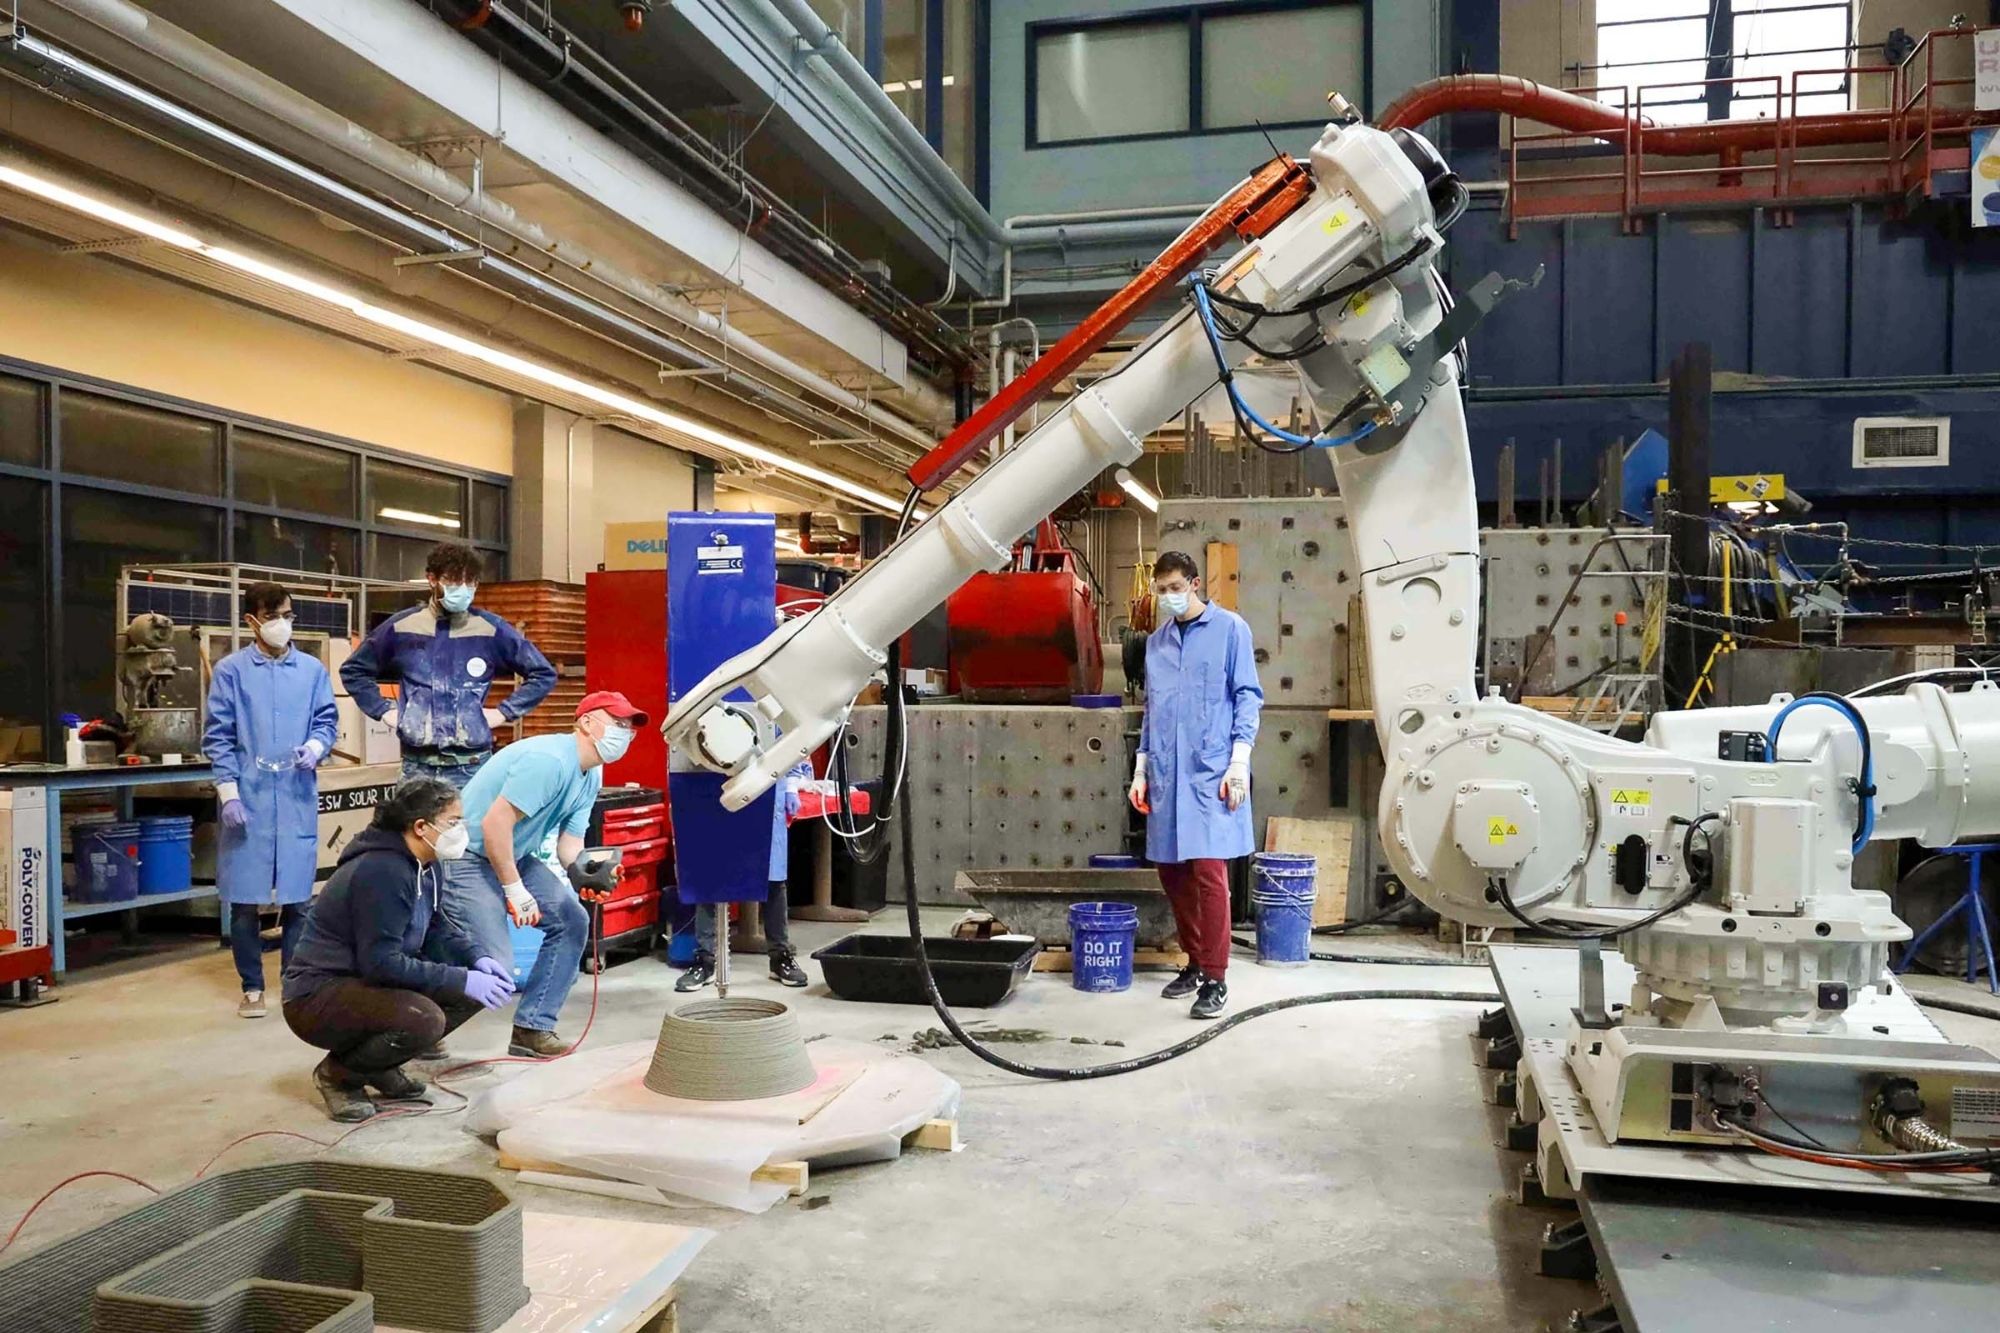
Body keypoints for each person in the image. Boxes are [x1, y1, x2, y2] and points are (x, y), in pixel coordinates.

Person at [282, 779, 515, 1122]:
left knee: (469, 992)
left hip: (363, 982)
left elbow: (439, 925)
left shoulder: (426, 863)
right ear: (421, 827)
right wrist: (460, 977)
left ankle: (378, 1066)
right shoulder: (382, 871)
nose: (460, 831)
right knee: (423, 1018)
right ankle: (339, 1076)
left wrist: (477, 958)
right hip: (317, 995)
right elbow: (380, 963)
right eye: (453, 822)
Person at [441, 691, 645, 1056]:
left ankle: (532, 1030)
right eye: (617, 724)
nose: (624, 734)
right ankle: (415, 1032)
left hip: (512, 854)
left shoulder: (591, 772)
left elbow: (571, 843)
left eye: (629, 729)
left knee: (571, 920)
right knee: (496, 968)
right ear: (586, 722)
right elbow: (493, 825)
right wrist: (515, 890)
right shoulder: (549, 761)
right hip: (467, 858)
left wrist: (587, 872)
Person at [1128, 551, 1263, 1020]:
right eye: (1160, 590)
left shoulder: (1231, 631)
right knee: (1172, 872)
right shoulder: (1156, 644)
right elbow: (1152, 710)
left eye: (1174, 588)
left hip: (1212, 773)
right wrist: (1141, 770)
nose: (1168, 597)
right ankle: (1193, 959)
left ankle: (1216, 977)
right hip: (1167, 772)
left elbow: (1248, 695)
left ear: (1195, 583)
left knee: (1209, 874)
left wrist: (1239, 761)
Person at [203, 581, 340, 1019]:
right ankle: (251, 986)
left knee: (298, 896)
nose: (283, 624)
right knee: (244, 898)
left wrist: (316, 748)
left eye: (288, 615)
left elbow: (326, 720)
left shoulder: (312, 671)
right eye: (274, 615)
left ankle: (293, 983)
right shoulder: (231, 672)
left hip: (295, 794)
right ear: (252, 621)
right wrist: (227, 792)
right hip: (250, 796)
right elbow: (218, 735)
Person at [341, 542, 557, 788]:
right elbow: (353, 670)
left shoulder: (491, 629)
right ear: (432, 579)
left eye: (471, 582)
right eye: (454, 581)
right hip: (416, 767)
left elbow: (542, 673)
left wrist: (503, 712)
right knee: (415, 827)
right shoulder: (401, 628)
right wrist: (383, 710)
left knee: (471, 827)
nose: (463, 589)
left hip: (472, 767)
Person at [677, 756, 813, 992]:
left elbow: (791, 738)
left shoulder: (774, 717)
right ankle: (705, 960)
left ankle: (780, 956)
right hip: (712, 785)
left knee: (773, 877)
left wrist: (791, 786)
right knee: (710, 874)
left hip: (766, 784)